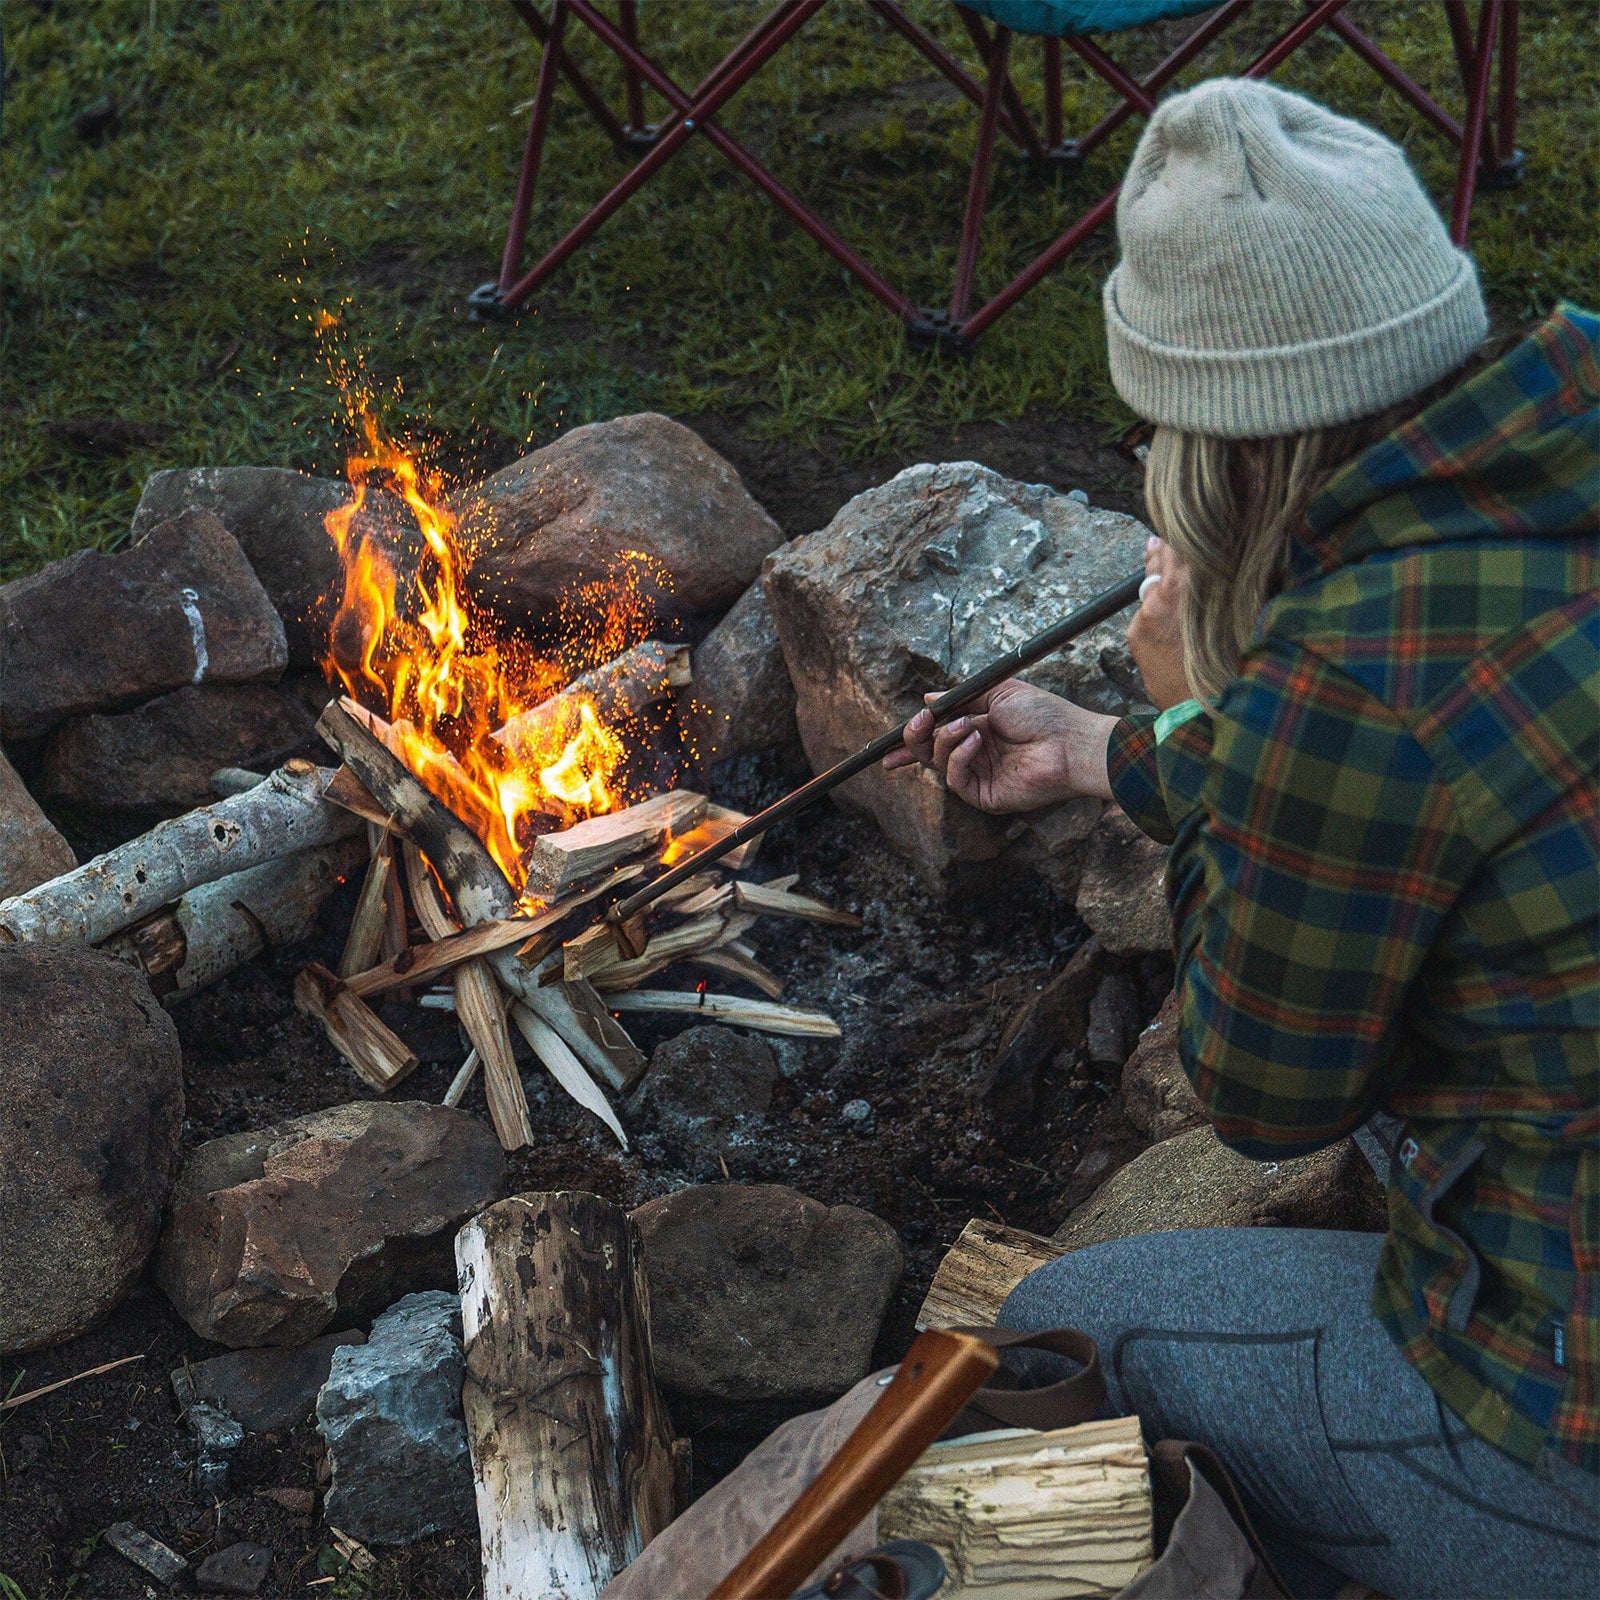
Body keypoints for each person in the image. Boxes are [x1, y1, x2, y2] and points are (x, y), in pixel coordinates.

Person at [887, 79, 1597, 1600]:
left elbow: (1266, 1093)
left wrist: (1211, 694)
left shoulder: (1332, 684)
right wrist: (1119, 755)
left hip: (1562, 1433)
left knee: (1059, 1333)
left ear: (1238, 446)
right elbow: (1478, 733)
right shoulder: (1563, 449)